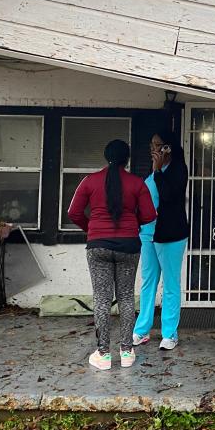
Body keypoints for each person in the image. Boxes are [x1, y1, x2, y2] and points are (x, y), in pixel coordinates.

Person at [67, 139, 156, 371]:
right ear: (127, 159)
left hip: (98, 247)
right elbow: (150, 215)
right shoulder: (137, 183)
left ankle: (103, 354)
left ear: (106, 156)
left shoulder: (90, 181)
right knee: (126, 297)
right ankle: (127, 352)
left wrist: (92, 229)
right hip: (129, 245)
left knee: (102, 298)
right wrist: (131, 224)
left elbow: (73, 212)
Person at [132, 131, 190, 351]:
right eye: (151, 146)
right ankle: (142, 329)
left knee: (171, 284)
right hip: (147, 233)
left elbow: (168, 196)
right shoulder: (153, 171)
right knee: (148, 281)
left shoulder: (178, 170)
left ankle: (169, 333)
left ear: (168, 148)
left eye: (157, 146)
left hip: (171, 235)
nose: (153, 150)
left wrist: (157, 171)